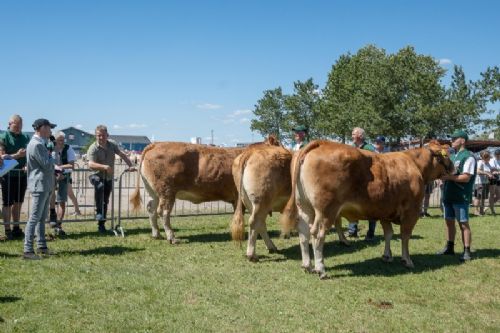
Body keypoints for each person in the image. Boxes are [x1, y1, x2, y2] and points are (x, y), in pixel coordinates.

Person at [87, 125, 136, 233]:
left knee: (105, 200)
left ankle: (101, 225)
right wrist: (104, 167)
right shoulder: (93, 148)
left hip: (108, 177)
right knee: (100, 187)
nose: (101, 137)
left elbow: (122, 154)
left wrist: (130, 165)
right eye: (99, 135)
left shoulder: (112, 144)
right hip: (96, 175)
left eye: (103, 135)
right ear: (96, 136)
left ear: (107, 135)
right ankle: (99, 213)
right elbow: (90, 164)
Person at [437, 130, 476, 262]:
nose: (451, 140)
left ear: (463, 141)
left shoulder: (468, 156)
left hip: (460, 196)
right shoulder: (453, 156)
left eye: (455, 138)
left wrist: (448, 177)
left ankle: (467, 251)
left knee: (463, 224)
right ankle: (450, 247)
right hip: (448, 195)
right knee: (449, 222)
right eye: (451, 138)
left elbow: (466, 177)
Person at [23, 119, 57, 259]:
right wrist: (53, 157)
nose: (51, 131)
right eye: (49, 128)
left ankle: (41, 245)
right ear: (42, 128)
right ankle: (28, 249)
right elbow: (46, 164)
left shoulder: (40, 144)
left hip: (44, 184)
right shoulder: (36, 145)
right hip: (40, 184)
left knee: (42, 217)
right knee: (35, 218)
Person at [0, 115, 30, 240]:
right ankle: (7, 230)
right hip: (7, 175)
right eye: (16, 126)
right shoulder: (4, 136)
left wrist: (28, 165)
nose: (18, 128)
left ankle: (16, 227)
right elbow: (1, 156)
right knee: (7, 203)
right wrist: (17, 155)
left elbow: (30, 153)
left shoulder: (26, 137)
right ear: (10, 124)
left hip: (21, 175)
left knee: (18, 202)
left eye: (20, 126)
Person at [346, 127, 375, 239]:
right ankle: (352, 231)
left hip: (368, 181)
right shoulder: (351, 147)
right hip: (354, 182)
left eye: (353, 134)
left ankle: (371, 233)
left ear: (360, 136)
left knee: (371, 207)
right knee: (353, 206)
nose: (352, 136)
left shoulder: (369, 148)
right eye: (352, 134)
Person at [48, 132, 77, 236]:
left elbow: (71, 165)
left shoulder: (68, 148)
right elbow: (47, 162)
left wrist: (59, 168)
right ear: (55, 140)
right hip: (52, 175)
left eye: (63, 139)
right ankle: (52, 213)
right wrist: (56, 169)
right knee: (51, 194)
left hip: (65, 176)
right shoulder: (50, 147)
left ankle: (59, 225)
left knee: (62, 200)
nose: (62, 141)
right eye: (59, 139)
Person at [473, 150, 493, 216]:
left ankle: (481, 211)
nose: (490, 158)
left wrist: (492, 173)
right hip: (479, 182)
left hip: (486, 182)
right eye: (489, 157)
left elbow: (490, 170)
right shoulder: (480, 162)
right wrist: (487, 174)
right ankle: (476, 211)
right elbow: (478, 171)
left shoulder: (488, 163)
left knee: (483, 197)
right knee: (478, 197)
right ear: (485, 157)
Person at [487, 149, 500, 215]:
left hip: (498, 179)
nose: (498, 156)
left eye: (499, 155)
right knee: (492, 195)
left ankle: (487, 207)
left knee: (498, 196)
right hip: (493, 178)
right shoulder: (492, 160)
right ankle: (492, 210)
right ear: (495, 155)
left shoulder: (499, 160)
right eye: (497, 155)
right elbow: (491, 169)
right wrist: (497, 171)